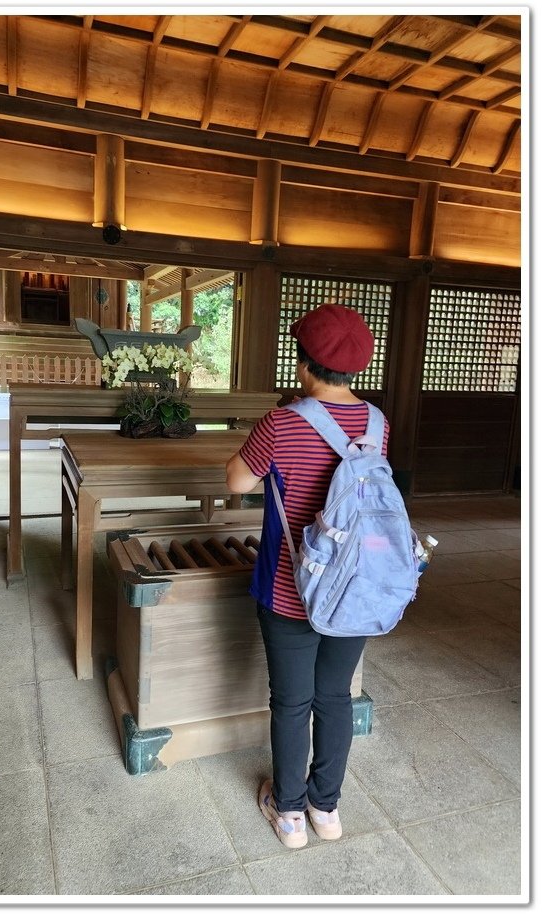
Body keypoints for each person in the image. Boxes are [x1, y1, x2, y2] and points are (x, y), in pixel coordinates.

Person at [225, 303, 386, 850]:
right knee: (334, 696)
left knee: (291, 702)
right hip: (355, 588)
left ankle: (289, 814)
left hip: (291, 587)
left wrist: (275, 426)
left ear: (305, 364)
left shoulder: (283, 421)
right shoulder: (376, 424)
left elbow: (238, 481)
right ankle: (326, 808)